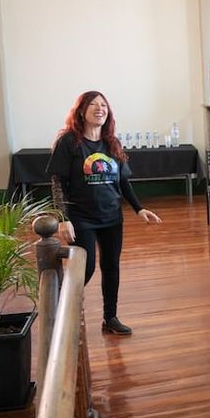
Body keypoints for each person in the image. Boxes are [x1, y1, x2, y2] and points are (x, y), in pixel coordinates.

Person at [47, 91, 162, 336]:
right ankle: (66, 312)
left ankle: (110, 318)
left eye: (104, 105)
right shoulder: (69, 141)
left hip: (111, 217)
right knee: (84, 269)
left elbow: (124, 182)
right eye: (93, 105)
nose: (100, 109)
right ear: (81, 110)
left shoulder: (112, 142)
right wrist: (62, 218)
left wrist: (139, 208)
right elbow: (58, 182)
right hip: (81, 218)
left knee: (111, 267)